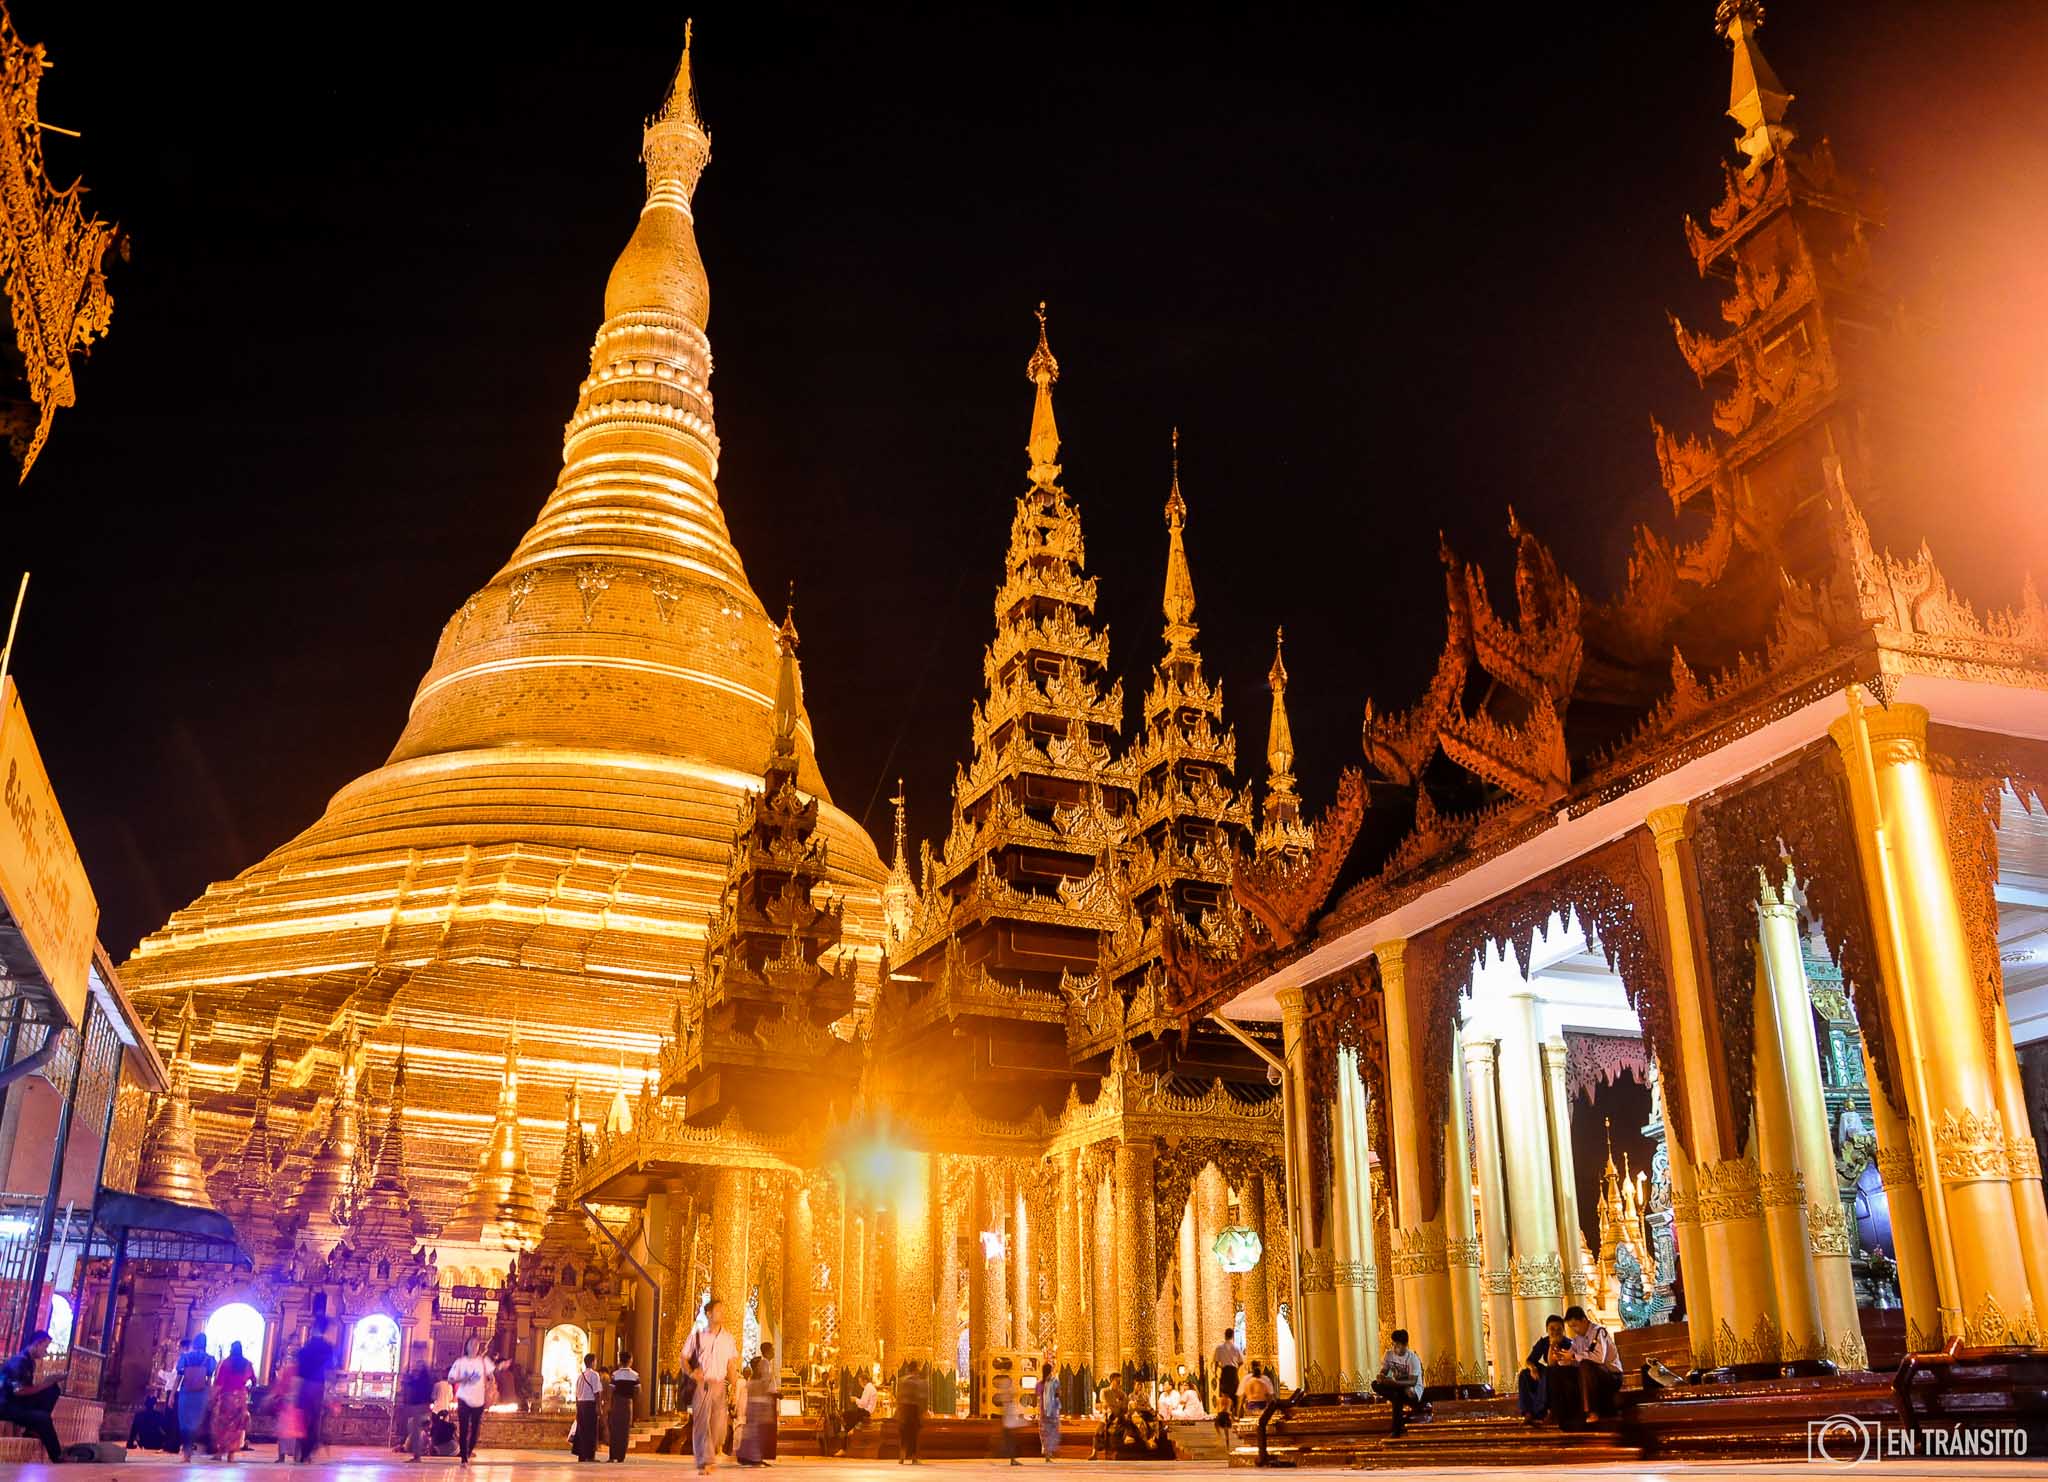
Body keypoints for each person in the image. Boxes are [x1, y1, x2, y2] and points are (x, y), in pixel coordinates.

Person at [684, 1296, 740, 1475]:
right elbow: (683, 1358)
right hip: (703, 1384)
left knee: (719, 1426)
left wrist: (735, 1388)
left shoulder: (728, 1338)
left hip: (720, 1385)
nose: (722, 1313)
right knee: (702, 1424)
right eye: (718, 1310)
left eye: (723, 1310)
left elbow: (731, 1365)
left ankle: (709, 1454)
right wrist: (691, 1373)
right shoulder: (697, 1336)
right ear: (708, 1314)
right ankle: (705, 1460)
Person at [0, 1329, 65, 1463]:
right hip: (7, 1406)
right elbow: (18, 1391)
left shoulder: (30, 1362)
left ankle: (32, 1429)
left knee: (52, 1390)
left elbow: (28, 1390)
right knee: (43, 1418)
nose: (46, 1351)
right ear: (37, 1344)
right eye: (45, 1347)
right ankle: (57, 1456)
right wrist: (44, 1384)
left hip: (18, 1402)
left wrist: (49, 1383)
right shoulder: (19, 1362)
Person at [1563, 1306, 1622, 1423]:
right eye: (1571, 1327)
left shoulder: (1598, 1332)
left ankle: (1592, 1411)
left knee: (1585, 1365)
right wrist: (1562, 1358)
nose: (1574, 1330)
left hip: (1611, 1375)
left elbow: (1599, 1358)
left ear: (1584, 1320)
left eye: (1575, 1325)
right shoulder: (1577, 1339)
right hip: (1590, 1375)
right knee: (1561, 1371)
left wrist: (1574, 1357)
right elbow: (1572, 1356)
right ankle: (1564, 1414)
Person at [449, 1335, 496, 1465]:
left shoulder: (484, 1361)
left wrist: (489, 1384)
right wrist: (463, 1379)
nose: (474, 1347)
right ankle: (464, 1456)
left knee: (475, 1429)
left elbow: (492, 1377)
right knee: (463, 1428)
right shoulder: (460, 1362)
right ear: (467, 1346)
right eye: (472, 1344)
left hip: (479, 1399)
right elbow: (450, 1379)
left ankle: (469, 1450)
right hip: (463, 1398)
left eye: (476, 1344)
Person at [1371, 1329, 1424, 1438]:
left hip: (1411, 1389)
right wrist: (1381, 1376)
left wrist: (1395, 1383)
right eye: (1394, 1345)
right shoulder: (1389, 1354)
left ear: (1405, 1345)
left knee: (1403, 1394)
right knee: (1375, 1384)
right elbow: (1384, 1370)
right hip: (1396, 1387)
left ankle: (1396, 1431)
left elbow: (1413, 1381)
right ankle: (1396, 1397)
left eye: (1398, 1346)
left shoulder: (1412, 1358)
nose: (1395, 1349)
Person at [296, 1317, 335, 1463]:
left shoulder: (307, 1346)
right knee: (314, 1419)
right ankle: (308, 1451)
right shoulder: (327, 1347)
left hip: (304, 1384)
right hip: (318, 1385)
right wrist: (331, 1389)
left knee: (303, 1418)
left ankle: (303, 1450)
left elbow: (299, 1365)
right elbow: (330, 1368)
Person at [208, 1339, 257, 1458]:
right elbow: (254, 1380)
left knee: (223, 1425)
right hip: (241, 1397)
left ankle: (220, 1452)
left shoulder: (226, 1363)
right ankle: (231, 1453)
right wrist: (248, 1390)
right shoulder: (247, 1364)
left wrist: (213, 1397)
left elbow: (219, 1382)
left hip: (227, 1397)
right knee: (237, 1426)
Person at [174, 1332, 217, 1459]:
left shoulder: (185, 1357)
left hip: (186, 1391)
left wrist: (172, 1395)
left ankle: (186, 1451)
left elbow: (178, 1378)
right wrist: (210, 1396)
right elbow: (209, 1380)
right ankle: (190, 1447)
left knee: (184, 1421)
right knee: (196, 1422)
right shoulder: (209, 1359)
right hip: (201, 1393)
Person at [1518, 1314, 1567, 1425]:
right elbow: (1529, 1360)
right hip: (1548, 1371)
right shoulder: (1543, 1342)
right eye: (1552, 1329)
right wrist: (1533, 1368)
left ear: (1563, 1330)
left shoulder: (1567, 1343)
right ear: (1547, 1330)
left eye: (1559, 1329)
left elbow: (1552, 1363)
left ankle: (1545, 1411)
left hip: (1561, 1372)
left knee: (1548, 1373)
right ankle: (1527, 1412)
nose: (1555, 1332)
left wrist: (1553, 1344)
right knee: (1525, 1374)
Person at [735, 1341, 775, 1466]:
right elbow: (764, 1382)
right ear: (767, 1351)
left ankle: (746, 1455)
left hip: (758, 1399)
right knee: (756, 1431)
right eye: (772, 1349)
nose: (774, 1352)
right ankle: (753, 1457)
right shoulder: (764, 1363)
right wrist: (770, 1395)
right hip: (759, 1400)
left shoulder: (764, 1364)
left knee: (753, 1429)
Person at [266, 1353, 303, 1462]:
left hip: (288, 1405)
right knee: (295, 1434)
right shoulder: (303, 1372)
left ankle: (281, 1457)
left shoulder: (289, 1370)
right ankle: (296, 1456)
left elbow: (280, 1387)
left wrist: (274, 1396)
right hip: (297, 1406)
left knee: (284, 1432)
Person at [409, 1382, 458, 1462]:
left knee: (433, 1430)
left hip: (436, 1409)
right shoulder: (449, 1386)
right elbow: (451, 1398)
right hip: (445, 1407)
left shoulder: (436, 1385)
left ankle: (428, 1447)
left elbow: (433, 1397)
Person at [395, 1361, 435, 1453]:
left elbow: (414, 1389)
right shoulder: (425, 1380)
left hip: (419, 1406)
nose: (415, 1369)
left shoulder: (420, 1380)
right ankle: (417, 1452)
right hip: (421, 1406)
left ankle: (417, 1453)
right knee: (415, 1429)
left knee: (415, 1429)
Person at [608, 1350, 641, 1463]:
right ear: (630, 1360)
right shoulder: (635, 1375)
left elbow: (610, 1390)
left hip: (617, 1404)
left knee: (615, 1430)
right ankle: (621, 1456)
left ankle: (612, 1455)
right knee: (625, 1431)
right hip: (628, 1404)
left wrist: (610, 1404)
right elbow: (638, 1391)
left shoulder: (615, 1374)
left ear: (620, 1361)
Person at [895, 1357, 927, 1465]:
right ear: (916, 1369)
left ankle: (902, 1455)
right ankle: (914, 1457)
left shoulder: (902, 1380)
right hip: (913, 1409)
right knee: (913, 1434)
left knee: (904, 1433)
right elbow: (921, 1397)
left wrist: (899, 1410)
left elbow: (898, 1396)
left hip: (904, 1409)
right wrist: (922, 1412)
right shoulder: (919, 1382)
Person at [573, 1354, 602, 1462]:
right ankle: (590, 1455)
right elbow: (596, 1392)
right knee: (591, 1430)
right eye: (595, 1361)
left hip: (581, 1404)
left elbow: (576, 1394)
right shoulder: (594, 1375)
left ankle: (582, 1455)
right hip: (590, 1404)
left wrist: (577, 1409)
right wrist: (598, 1406)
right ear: (592, 1362)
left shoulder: (580, 1376)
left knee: (582, 1430)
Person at [1212, 1328, 1243, 1420]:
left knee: (1224, 1394)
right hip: (1233, 1372)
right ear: (1232, 1336)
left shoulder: (1219, 1348)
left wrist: (1215, 1373)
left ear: (1225, 1335)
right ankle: (1235, 1415)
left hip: (1225, 1372)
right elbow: (1241, 1361)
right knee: (1234, 1394)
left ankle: (1224, 1414)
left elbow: (1216, 1362)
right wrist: (1236, 1369)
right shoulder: (1236, 1348)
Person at [994, 1379, 1026, 1466]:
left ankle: (1012, 1459)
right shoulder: (1008, 1402)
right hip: (1009, 1426)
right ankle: (1012, 1460)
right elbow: (1010, 1415)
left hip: (1008, 1425)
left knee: (1010, 1443)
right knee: (1010, 1444)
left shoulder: (1008, 1402)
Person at [1037, 1362, 1060, 1461]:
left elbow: (1038, 1397)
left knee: (1044, 1432)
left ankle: (1046, 1451)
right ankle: (1049, 1453)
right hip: (1053, 1411)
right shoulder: (1054, 1382)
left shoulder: (1039, 1384)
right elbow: (1058, 1394)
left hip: (1043, 1411)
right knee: (1052, 1432)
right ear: (1051, 1371)